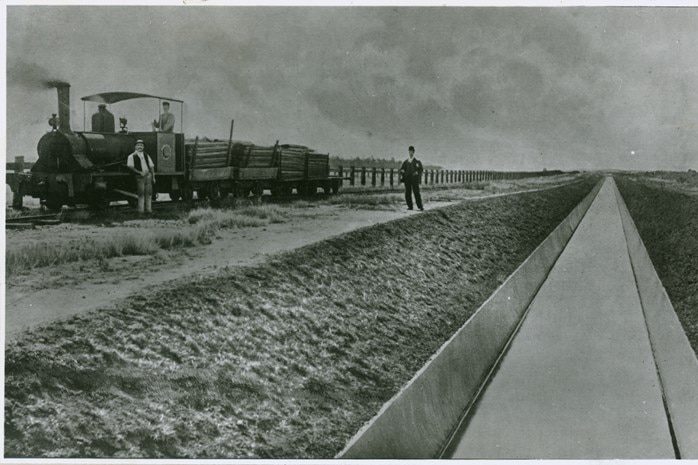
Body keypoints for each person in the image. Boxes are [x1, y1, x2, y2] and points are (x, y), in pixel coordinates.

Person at [126, 140, 156, 214]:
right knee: (141, 195)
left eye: (141, 145)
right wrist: (139, 172)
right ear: (135, 147)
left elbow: (151, 166)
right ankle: (141, 212)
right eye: (138, 145)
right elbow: (130, 167)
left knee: (149, 194)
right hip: (139, 177)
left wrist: (153, 176)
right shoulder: (131, 156)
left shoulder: (146, 155)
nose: (140, 146)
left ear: (143, 147)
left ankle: (149, 211)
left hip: (148, 176)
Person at [400, 146, 424, 211]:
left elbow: (420, 169)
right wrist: (402, 171)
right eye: (409, 151)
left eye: (412, 151)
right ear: (408, 152)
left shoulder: (416, 162)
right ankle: (410, 206)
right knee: (408, 193)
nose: (410, 153)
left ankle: (420, 206)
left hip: (414, 179)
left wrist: (417, 172)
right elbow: (402, 169)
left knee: (416, 192)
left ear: (413, 152)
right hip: (407, 179)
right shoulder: (406, 162)